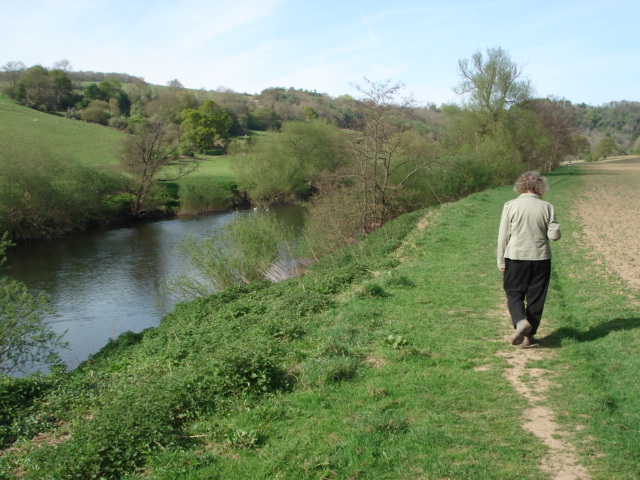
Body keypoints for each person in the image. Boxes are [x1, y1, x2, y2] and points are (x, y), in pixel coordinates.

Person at [497, 171, 561, 346]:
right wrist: (555, 227)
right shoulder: (547, 207)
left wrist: (501, 260)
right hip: (541, 258)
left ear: (521, 186)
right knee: (536, 297)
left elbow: (504, 236)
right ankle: (529, 336)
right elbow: (554, 236)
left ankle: (520, 321)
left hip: (516, 256)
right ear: (539, 188)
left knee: (513, 292)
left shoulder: (511, 205)